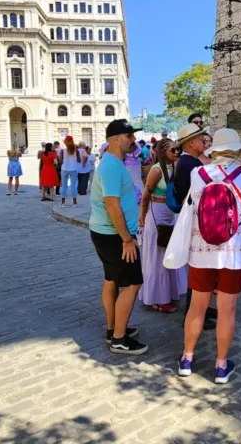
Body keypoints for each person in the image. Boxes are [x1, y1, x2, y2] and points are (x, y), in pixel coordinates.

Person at [179, 128, 241, 383]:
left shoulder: (198, 174)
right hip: (235, 253)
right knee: (227, 309)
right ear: (238, 149)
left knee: (197, 306)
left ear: (214, 150)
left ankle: (187, 359)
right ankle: (221, 366)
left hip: (202, 250)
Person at [90, 119, 147, 355]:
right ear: (115, 139)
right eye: (128, 135)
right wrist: (126, 239)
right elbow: (112, 205)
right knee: (133, 283)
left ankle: (113, 328)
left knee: (111, 279)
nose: (133, 139)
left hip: (105, 233)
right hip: (115, 235)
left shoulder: (113, 162)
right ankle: (119, 339)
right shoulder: (112, 165)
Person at [174, 122, 217, 329]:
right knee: (199, 270)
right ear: (192, 143)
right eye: (201, 139)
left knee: (201, 269)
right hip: (195, 222)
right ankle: (194, 311)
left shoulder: (189, 162)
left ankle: (202, 307)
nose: (204, 142)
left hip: (196, 220)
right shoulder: (189, 165)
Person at [138, 138, 187, 313]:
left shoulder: (174, 167)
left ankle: (170, 292)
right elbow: (146, 195)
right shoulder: (156, 169)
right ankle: (156, 299)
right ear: (163, 151)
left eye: (177, 149)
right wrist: (142, 216)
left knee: (170, 254)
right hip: (157, 213)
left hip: (170, 213)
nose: (176, 152)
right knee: (157, 256)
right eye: (173, 150)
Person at [59, 135, 81, 208]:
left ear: (65, 142)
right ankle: (74, 203)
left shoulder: (63, 151)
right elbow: (79, 160)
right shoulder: (76, 150)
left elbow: (61, 161)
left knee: (64, 186)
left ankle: (63, 203)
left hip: (64, 169)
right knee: (73, 186)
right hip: (73, 169)